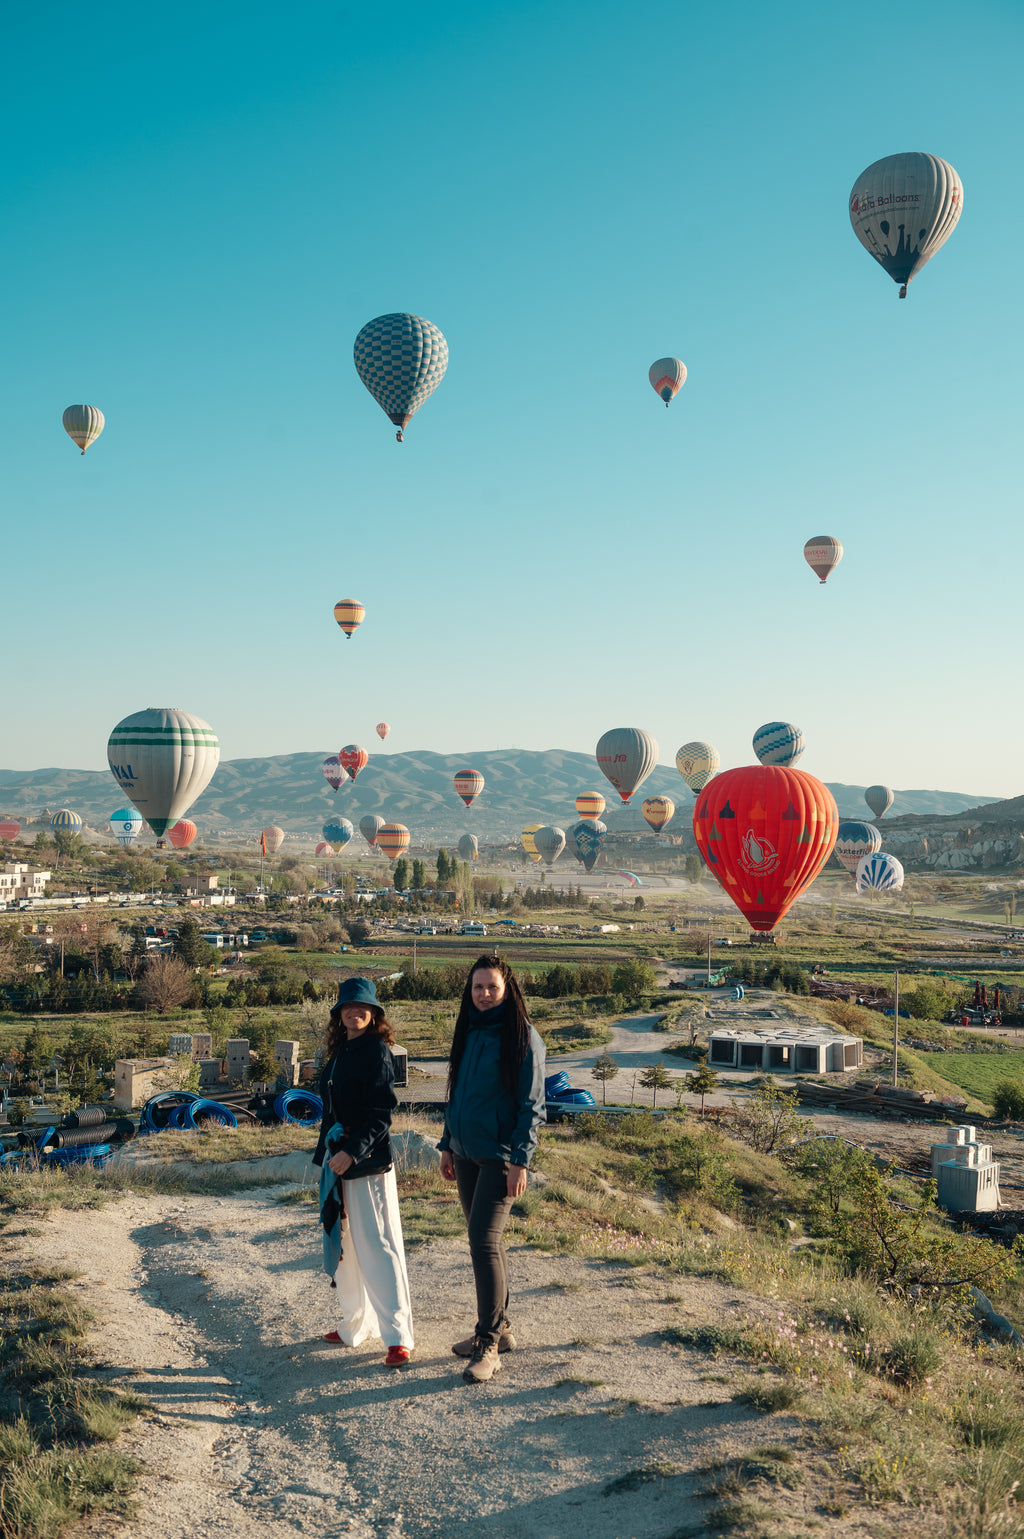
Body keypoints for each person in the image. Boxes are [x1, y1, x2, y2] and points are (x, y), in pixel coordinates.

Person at [438, 955, 546, 1385]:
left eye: (492, 987)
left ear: (507, 989)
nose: (484, 994)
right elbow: (456, 1093)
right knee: (488, 1243)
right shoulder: (468, 1029)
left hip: (500, 1156)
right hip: (465, 1152)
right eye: (477, 987)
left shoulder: (523, 1037)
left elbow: (532, 1106)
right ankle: (502, 1328)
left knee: (483, 1242)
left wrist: (521, 1160)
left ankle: (488, 1344)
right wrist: (447, 1144)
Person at [312, 977, 414, 1367]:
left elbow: (381, 1115)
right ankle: (354, 1325)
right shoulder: (339, 1052)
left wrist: (351, 1153)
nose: (354, 1012)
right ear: (339, 1013)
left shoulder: (377, 1052)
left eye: (362, 1006)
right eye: (348, 1006)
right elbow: (332, 1113)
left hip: (366, 1163)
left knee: (378, 1247)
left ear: (373, 1013)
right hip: (338, 1163)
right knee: (346, 1249)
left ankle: (398, 1337)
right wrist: (327, 1158)